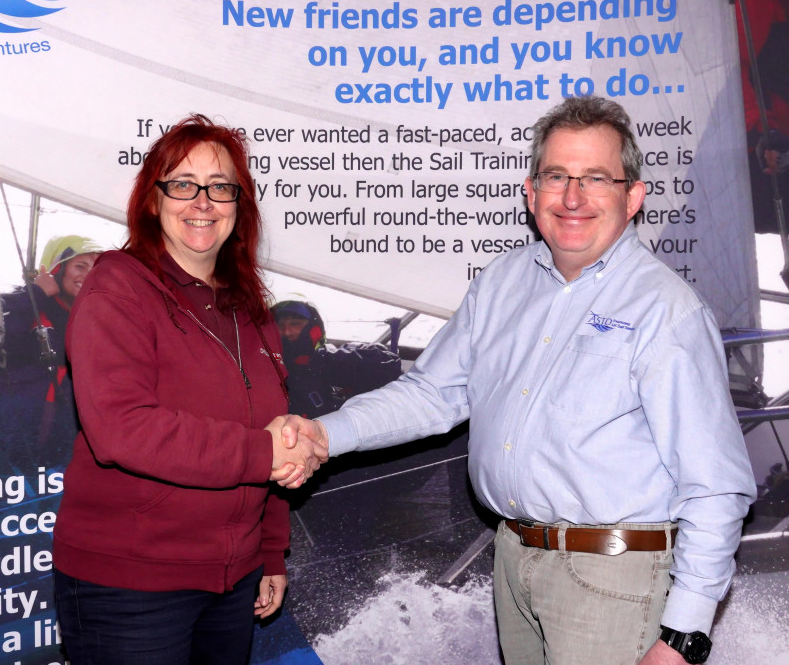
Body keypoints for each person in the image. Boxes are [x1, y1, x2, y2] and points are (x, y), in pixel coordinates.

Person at [281, 96, 756, 664]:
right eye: (557, 176)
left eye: (596, 178)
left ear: (632, 197)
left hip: (615, 581)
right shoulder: (501, 282)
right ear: (531, 193)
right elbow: (436, 392)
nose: (573, 197)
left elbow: (717, 487)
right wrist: (325, 435)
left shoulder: (667, 312)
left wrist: (683, 634)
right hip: (512, 560)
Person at [52, 114, 326, 664]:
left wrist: (270, 551)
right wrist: (262, 450)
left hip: (232, 580)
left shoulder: (251, 309)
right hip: (131, 585)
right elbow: (121, 429)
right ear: (153, 199)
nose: (202, 201)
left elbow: (270, 438)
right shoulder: (117, 285)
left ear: (239, 206)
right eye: (183, 184)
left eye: (220, 187)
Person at [0, 235, 102, 471]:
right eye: (80, 266)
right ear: (56, 269)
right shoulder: (25, 305)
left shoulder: (95, 318)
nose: (89, 275)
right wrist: (35, 293)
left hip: (69, 440)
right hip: (19, 432)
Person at [271, 299, 401, 418]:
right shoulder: (268, 368)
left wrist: (327, 362)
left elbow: (390, 366)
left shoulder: (329, 358)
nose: (286, 332)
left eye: (295, 324)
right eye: (280, 325)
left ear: (314, 330)